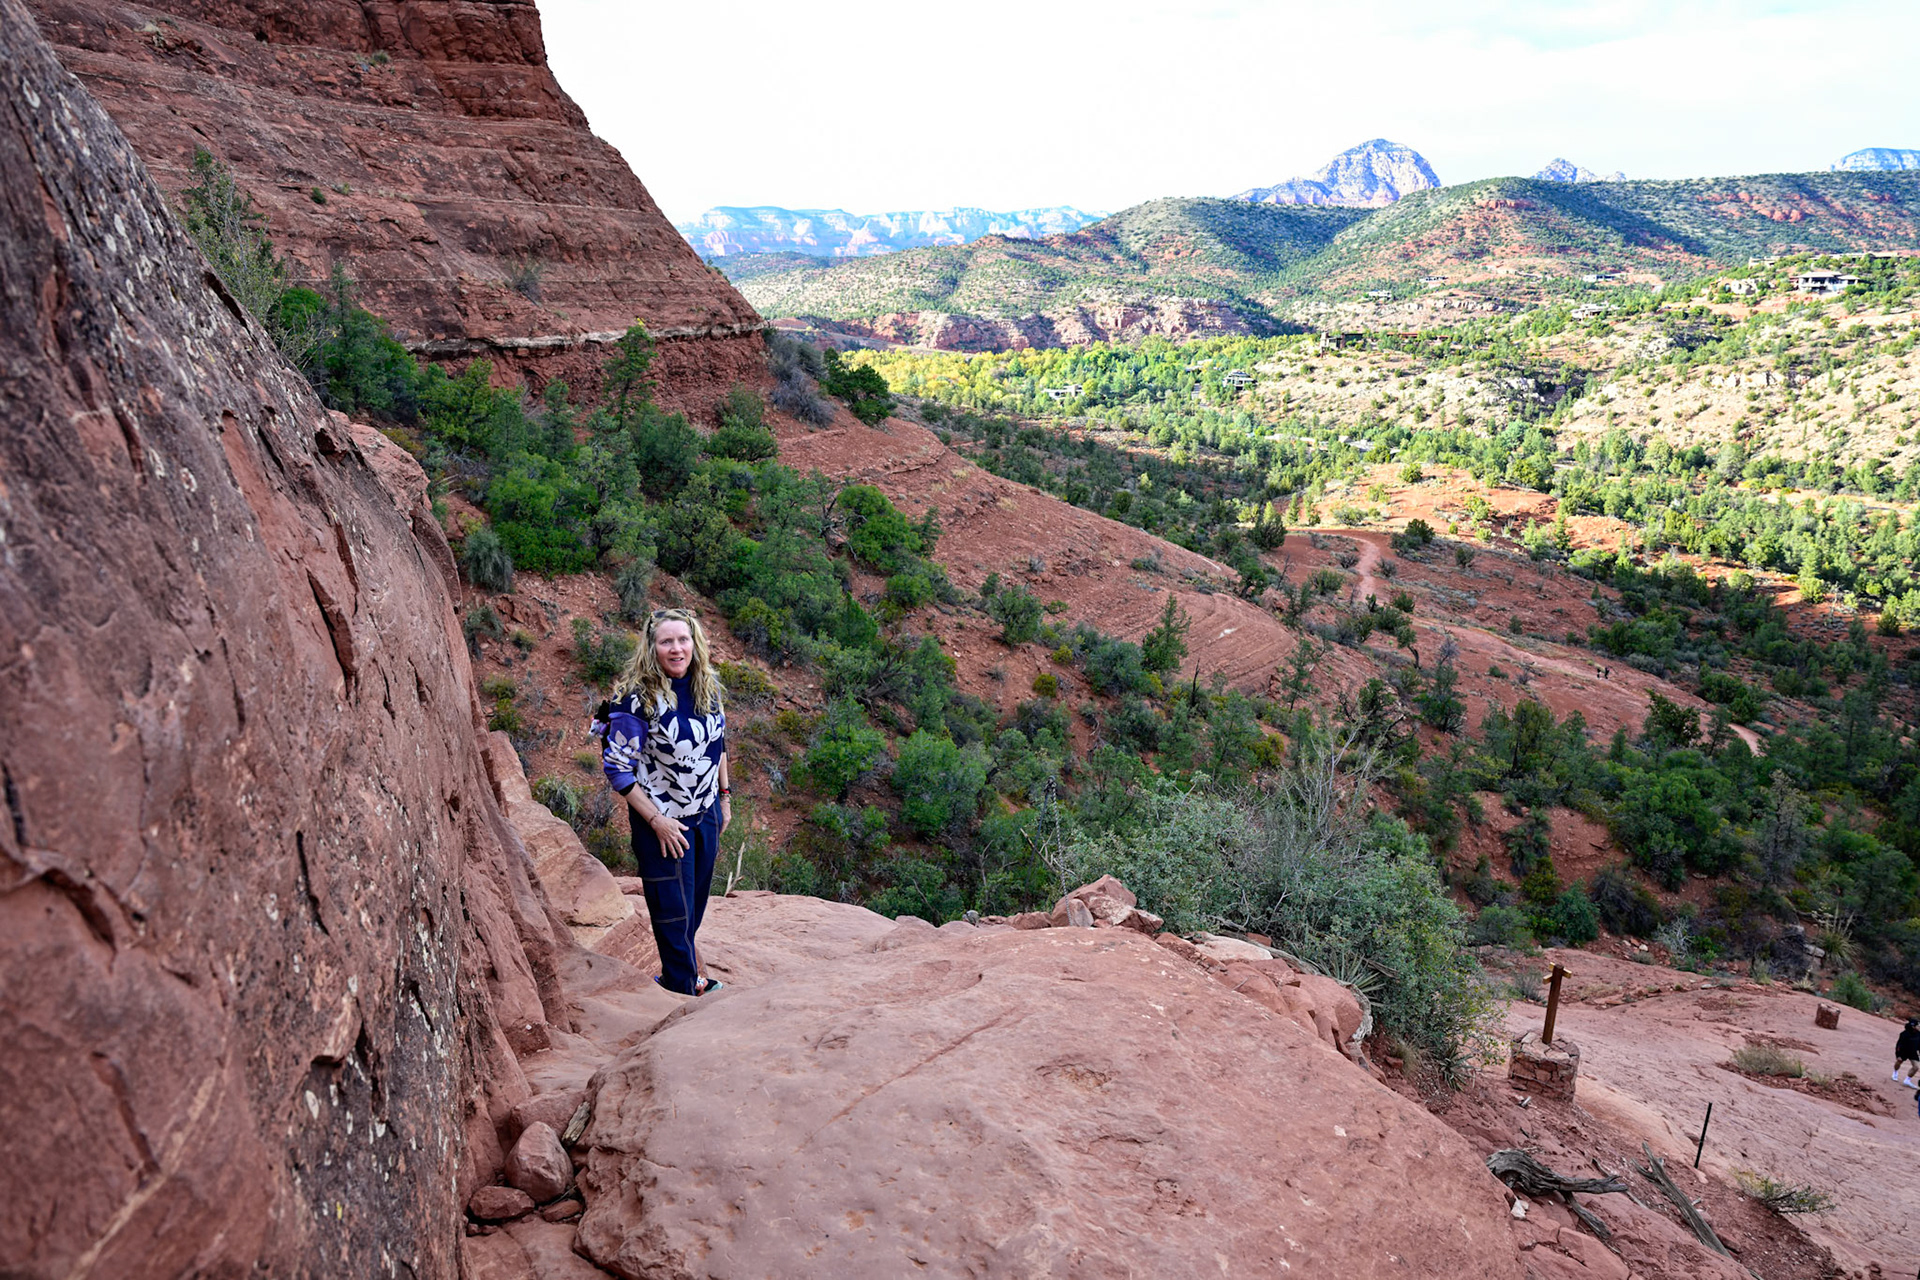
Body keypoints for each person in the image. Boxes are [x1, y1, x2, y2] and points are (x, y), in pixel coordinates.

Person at [593, 608, 731, 996]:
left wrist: (724, 799)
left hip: (704, 812)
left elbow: (719, 745)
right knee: (673, 911)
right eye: (666, 641)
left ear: (695, 643)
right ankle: (683, 989)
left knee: (695, 906)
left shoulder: (707, 688)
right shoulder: (636, 699)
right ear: (651, 647)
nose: (676, 649)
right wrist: (657, 821)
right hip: (661, 821)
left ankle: (680, 979)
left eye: (683, 640)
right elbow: (618, 768)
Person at [1896, 1017, 1920, 1087]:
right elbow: (1899, 1045)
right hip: (1904, 1051)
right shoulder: (1904, 1034)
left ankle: (1907, 1080)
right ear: (1913, 1026)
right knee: (1899, 1062)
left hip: (1913, 1052)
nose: (1919, 1027)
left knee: (1916, 1067)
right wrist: (1898, 1055)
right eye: (1918, 1025)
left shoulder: (1919, 1034)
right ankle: (1895, 1072)